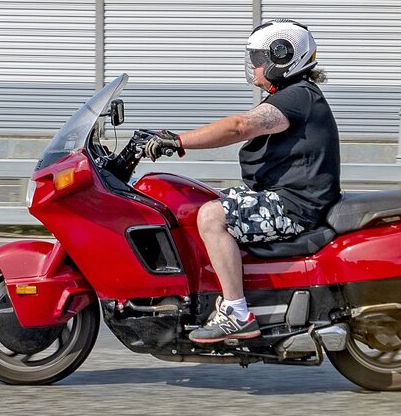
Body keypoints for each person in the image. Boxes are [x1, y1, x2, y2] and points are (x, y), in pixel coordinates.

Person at [141, 19, 341, 344]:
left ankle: (236, 312)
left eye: (259, 58)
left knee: (211, 215)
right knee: (207, 204)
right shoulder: (297, 96)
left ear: (282, 58)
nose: (253, 65)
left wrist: (177, 141)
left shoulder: (297, 96)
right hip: (291, 199)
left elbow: (239, 127)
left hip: (294, 206)